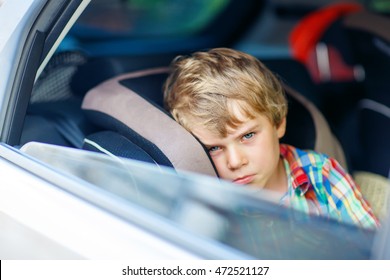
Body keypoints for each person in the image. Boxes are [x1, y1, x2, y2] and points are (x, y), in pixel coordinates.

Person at [163, 47, 379, 229]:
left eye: (247, 135)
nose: (236, 162)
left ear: (278, 124)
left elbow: (372, 250)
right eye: (214, 148)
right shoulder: (208, 200)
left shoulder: (320, 175)